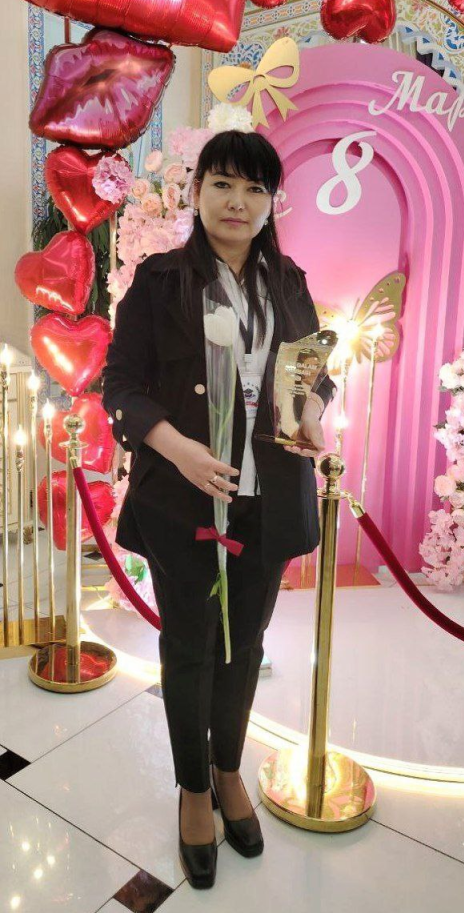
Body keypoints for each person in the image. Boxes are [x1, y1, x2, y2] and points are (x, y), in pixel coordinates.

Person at [101, 130, 337, 889]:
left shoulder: (289, 280)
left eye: (255, 190)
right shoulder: (160, 281)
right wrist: (176, 447)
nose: (238, 203)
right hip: (182, 499)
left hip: (265, 503)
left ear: (272, 204)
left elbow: (311, 374)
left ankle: (229, 767)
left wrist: (310, 414)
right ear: (197, 192)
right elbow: (122, 388)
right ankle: (193, 787)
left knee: (246, 647)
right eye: (223, 185)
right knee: (192, 646)